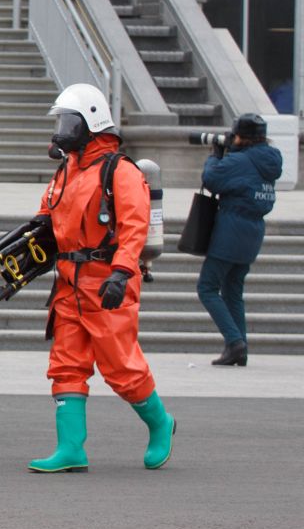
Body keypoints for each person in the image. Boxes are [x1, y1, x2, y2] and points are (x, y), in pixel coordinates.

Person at [27, 85, 176, 473]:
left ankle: (161, 424)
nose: (62, 129)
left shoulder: (119, 171)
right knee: (66, 363)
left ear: (90, 122)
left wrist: (123, 272)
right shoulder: (67, 168)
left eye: (68, 121)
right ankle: (71, 448)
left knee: (121, 367)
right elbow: (50, 209)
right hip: (69, 282)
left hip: (107, 280)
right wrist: (37, 230)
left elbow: (134, 226)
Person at [196, 112, 279, 367]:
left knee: (207, 287)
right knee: (233, 290)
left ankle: (234, 342)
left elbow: (210, 179)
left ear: (242, 137)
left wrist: (215, 154)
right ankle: (239, 348)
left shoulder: (239, 161)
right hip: (253, 232)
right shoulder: (270, 160)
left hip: (231, 230)